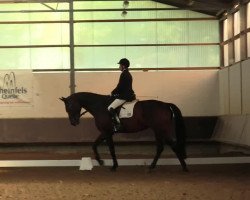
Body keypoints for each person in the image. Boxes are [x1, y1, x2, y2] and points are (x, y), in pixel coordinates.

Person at [108, 58, 136, 132]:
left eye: (120, 65)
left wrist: (113, 92)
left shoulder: (124, 74)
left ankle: (118, 124)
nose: (119, 67)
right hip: (126, 94)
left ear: (123, 66)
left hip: (124, 96)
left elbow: (120, 86)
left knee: (110, 107)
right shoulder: (127, 73)